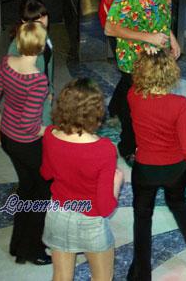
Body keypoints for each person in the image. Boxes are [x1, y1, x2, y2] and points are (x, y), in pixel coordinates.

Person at [127, 51, 186, 279]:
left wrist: (147, 54)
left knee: (142, 219)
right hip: (175, 170)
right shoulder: (179, 104)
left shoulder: (133, 95)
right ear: (170, 74)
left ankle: (140, 274)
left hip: (145, 169)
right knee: (181, 209)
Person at [105, 0, 180, 162]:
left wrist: (171, 38)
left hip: (156, 59)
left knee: (149, 106)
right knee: (134, 109)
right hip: (135, 62)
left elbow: (161, 16)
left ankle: (144, 137)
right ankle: (127, 147)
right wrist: (148, 38)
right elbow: (110, 28)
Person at [41, 79, 123, 281]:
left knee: (61, 276)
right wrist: (117, 182)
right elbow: (105, 207)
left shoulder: (50, 134)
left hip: (57, 214)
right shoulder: (104, 149)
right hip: (90, 222)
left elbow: (46, 173)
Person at [0, 22, 51, 266]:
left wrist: (0, 126)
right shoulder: (38, 81)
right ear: (41, 47)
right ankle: (32, 249)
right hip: (27, 144)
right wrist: (51, 131)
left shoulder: (6, 63)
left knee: (27, 188)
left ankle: (19, 245)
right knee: (42, 194)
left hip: (8, 139)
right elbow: (29, 125)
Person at [7, 0, 54, 125]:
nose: (43, 22)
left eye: (44, 16)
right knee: (41, 128)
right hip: (31, 99)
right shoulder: (16, 46)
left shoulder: (44, 36)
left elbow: (48, 65)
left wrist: (50, 90)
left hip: (43, 92)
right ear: (24, 22)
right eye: (37, 20)